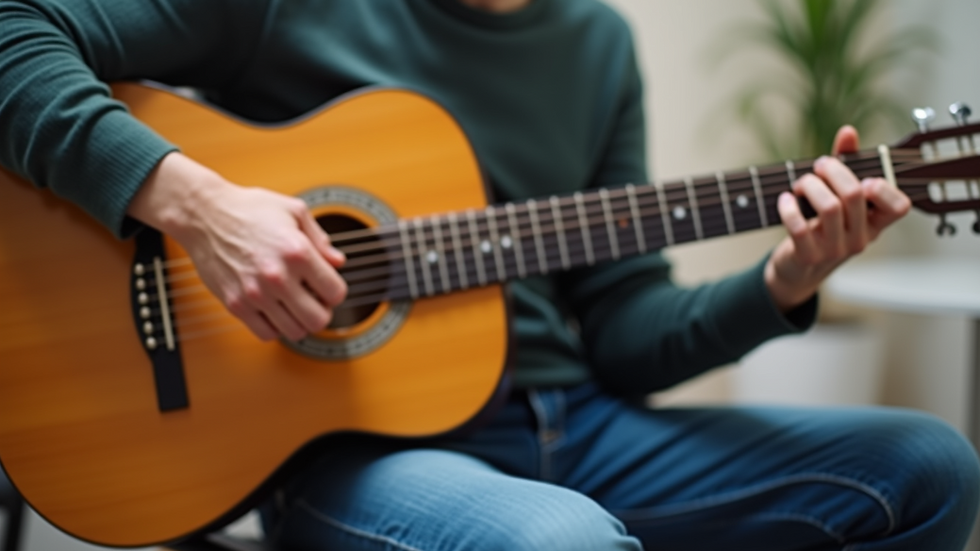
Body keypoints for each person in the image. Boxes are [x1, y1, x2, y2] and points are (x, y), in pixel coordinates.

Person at [1, 0, 978, 549]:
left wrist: (783, 281)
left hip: (580, 424)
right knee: (562, 543)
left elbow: (623, 326)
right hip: (361, 450)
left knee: (927, 466)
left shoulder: (596, 43)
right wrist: (198, 205)